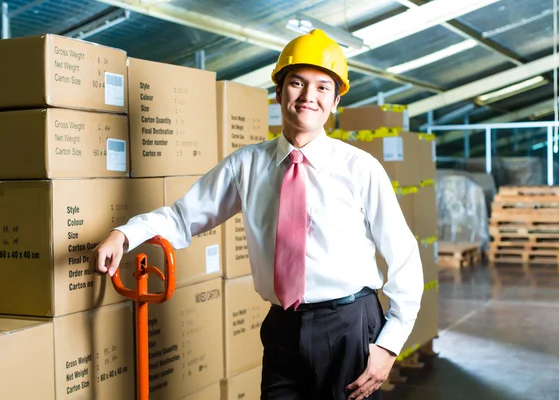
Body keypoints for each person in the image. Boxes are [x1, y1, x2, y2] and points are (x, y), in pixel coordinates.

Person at [96, 28, 423, 400]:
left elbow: (403, 255)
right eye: (297, 83)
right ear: (280, 91)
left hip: (349, 325)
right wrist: (125, 234)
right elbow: (183, 218)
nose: (308, 97)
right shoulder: (246, 166)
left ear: (335, 102)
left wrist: (389, 344)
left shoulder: (360, 168)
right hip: (283, 326)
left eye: (321, 88)